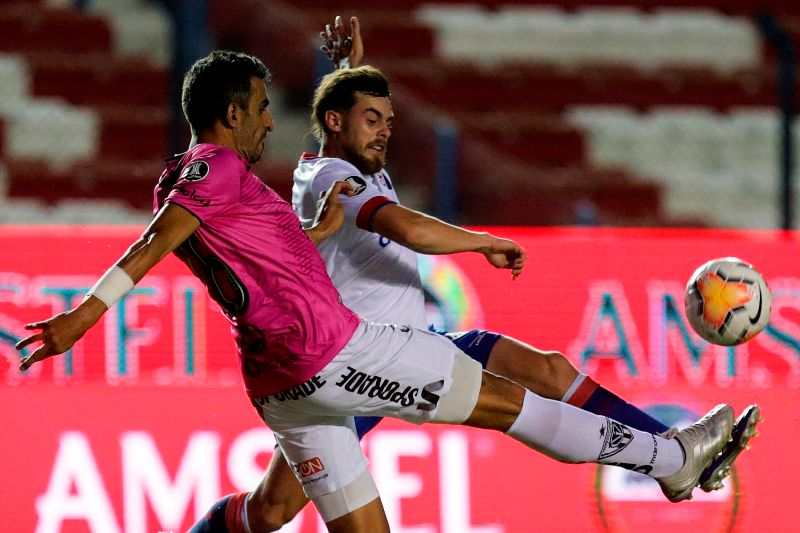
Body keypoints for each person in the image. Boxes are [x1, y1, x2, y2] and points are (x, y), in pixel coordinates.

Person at [18, 50, 736, 533]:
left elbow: (257, 259)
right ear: (231, 113)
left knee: (288, 514)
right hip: (342, 354)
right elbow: (162, 237)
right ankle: (673, 461)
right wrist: (86, 313)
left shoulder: (206, 178)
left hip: (282, 386)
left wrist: (319, 231)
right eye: (263, 106)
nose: (271, 120)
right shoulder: (214, 172)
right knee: (513, 404)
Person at [191, 18, 761, 533]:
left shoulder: (343, 164)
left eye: (389, 120)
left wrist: (347, 72)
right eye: (373, 120)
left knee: (540, 369)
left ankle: (668, 453)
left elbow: (341, 132)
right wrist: (483, 241)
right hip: (357, 366)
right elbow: (408, 229)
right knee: (271, 511)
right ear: (337, 123)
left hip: (407, 345)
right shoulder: (333, 178)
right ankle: (669, 459)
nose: (386, 132)